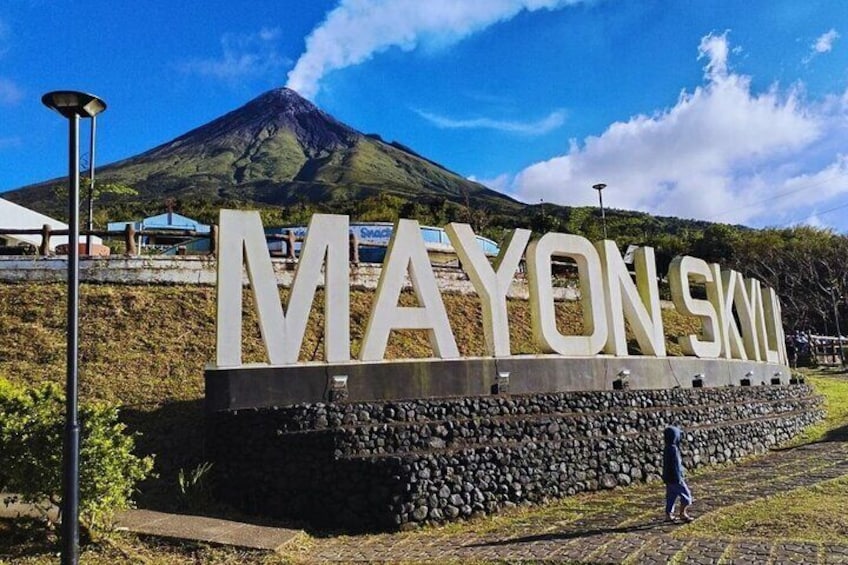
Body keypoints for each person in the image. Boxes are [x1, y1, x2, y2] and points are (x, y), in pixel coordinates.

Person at [662, 425, 694, 522]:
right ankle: (682, 513)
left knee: (671, 497)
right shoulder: (674, 449)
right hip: (676, 478)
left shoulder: (667, 448)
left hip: (668, 478)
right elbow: (676, 465)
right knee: (687, 496)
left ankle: (669, 515)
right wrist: (679, 477)